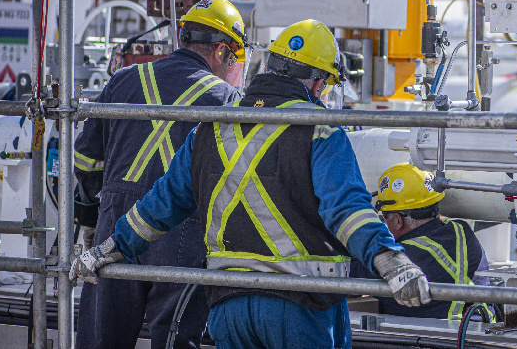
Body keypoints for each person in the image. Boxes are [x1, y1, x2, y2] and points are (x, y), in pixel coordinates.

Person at [70, 19, 432, 349]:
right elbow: (347, 210)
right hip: (299, 304)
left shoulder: (209, 128)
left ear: (269, 67)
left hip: (229, 309)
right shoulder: (319, 129)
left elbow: (158, 206)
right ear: (318, 82)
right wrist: (389, 259)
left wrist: (109, 248)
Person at [73, 0, 247, 349]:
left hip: (114, 226)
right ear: (222, 50)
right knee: (175, 340)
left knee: (101, 339)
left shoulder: (122, 81)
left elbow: (85, 158)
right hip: (180, 229)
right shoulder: (227, 99)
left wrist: (91, 217)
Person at [351, 163, 495, 321]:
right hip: (483, 331)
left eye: (386, 218)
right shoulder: (462, 231)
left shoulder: (401, 260)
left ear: (398, 221)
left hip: (445, 339)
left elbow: (350, 271)